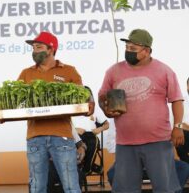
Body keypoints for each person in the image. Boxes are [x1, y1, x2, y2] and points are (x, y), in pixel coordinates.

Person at [99, 29, 184, 192]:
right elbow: (103, 96)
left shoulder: (164, 70)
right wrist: (106, 109)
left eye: (133, 49)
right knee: (125, 190)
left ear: (146, 51)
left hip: (158, 141)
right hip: (125, 143)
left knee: (165, 188)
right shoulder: (113, 71)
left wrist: (178, 126)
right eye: (127, 47)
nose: (128, 51)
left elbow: (177, 100)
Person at [16, 31, 94, 193]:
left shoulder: (69, 71)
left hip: (62, 137)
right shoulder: (26, 73)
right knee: (37, 187)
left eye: (39, 47)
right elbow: (15, 100)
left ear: (51, 49)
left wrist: (89, 103)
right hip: (35, 138)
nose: (35, 51)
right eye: (33, 48)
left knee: (71, 186)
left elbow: (84, 95)